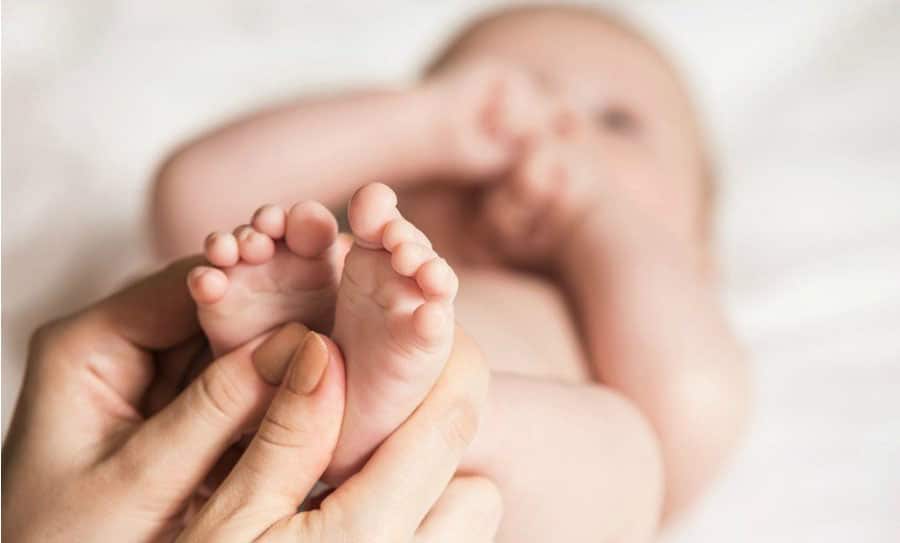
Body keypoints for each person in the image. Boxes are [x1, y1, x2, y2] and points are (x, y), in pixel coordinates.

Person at [152, 5, 751, 541]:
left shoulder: (646, 314)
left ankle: (385, 407)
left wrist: (593, 211)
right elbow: (186, 200)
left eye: (616, 120)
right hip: (255, 479)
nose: (552, 123)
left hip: (491, 507)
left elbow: (694, 410)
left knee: (630, 452)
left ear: (700, 250)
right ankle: (307, 362)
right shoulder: (372, 264)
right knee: (349, 282)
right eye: (499, 92)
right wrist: (433, 121)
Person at [1, 258, 501, 542]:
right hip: (404, 331)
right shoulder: (402, 242)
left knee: (514, 423)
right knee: (184, 199)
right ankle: (354, 407)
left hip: (501, 365)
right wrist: (446, 120)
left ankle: (355, 413)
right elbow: (183, 187)